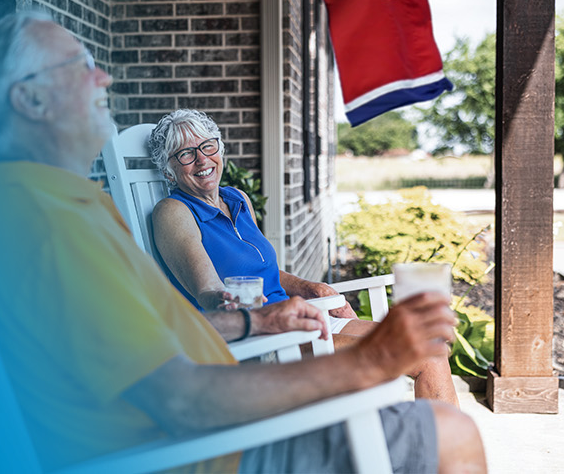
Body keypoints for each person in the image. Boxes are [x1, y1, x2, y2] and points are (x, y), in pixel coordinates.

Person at [0, 10, 486, 473]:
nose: (103, 77)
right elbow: (182, 399)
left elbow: (158, 331)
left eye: (208, 146)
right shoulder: (54, 231)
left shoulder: (70, 205)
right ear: (29, 98)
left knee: (428, 407)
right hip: (201, 450)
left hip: (220, 406)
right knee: (450, 433)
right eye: (78, 67)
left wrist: (261, 317)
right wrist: (370, 360)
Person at [149, 108, 460, 406]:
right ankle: (440, 456)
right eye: (186, 154)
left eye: (207, 146)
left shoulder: (237, 199)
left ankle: (430, 452)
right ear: (169, 169)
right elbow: (208, 293)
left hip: (299, 322)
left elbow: (265, 270)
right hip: (262, 342)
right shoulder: (173, 211)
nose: (202, 159)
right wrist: (245, 311)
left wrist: (313, 288)